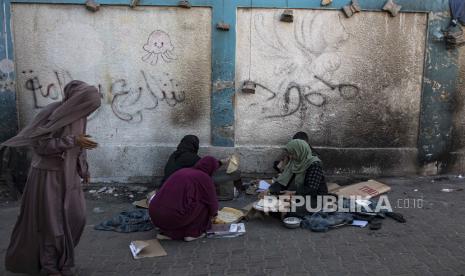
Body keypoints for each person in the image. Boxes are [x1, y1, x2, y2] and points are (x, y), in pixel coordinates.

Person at [2, 80, 101, 276]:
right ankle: (50, 267)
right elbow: (40, 145)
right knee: (51, 224)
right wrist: (71, 140)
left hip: (69, 176)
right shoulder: (51, 113)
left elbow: (80, 146)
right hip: (48, 176)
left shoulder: (80, 117)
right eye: (87, 105)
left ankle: (64, 261)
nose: (89, 111)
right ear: (78, 101)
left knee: (76, 218)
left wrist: (84, 169)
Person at [149, 156, 220, 241]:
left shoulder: (183, 171)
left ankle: (168, 233)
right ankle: (193, 233)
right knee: (204, 205)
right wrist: (214, 215)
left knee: (182, 206)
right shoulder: (205, 178)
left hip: (154, 215)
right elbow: (213, 204)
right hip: (171, 216)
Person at [266, 139, 328, 216]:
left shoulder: (314, 165)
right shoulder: (295, 162)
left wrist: (293, 193)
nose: (290, 157)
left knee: (290, 211)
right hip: (299, 194)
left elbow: (311, 189)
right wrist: (269, 190)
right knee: (271, 205)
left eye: (293, 154)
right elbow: (283, 181)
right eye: (290, 154)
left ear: (300, 151)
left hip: (314, 197)